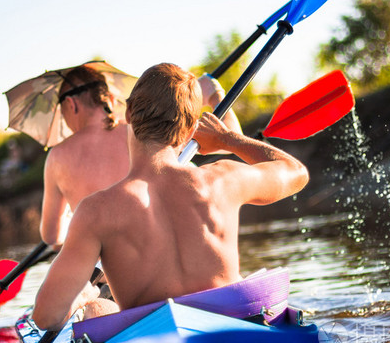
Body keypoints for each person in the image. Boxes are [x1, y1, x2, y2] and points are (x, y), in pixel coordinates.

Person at [32, 63, 308, 331]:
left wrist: (82, 298)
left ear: (127, 113)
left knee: (95, 309)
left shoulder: (96, 211)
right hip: (231, 332)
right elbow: (296, 172)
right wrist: (228, 140)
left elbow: (46, 317)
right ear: (190, 131)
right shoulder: (223, 179)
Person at [40, 63, 241, 250]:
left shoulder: (56, 157)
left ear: (71, 103)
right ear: (110, 99)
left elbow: (52, 236)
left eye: (61, 109)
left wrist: (73, 217)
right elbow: (231, 139)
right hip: (167, 256)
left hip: (109, 275)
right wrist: (214, 93)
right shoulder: (142, 131)